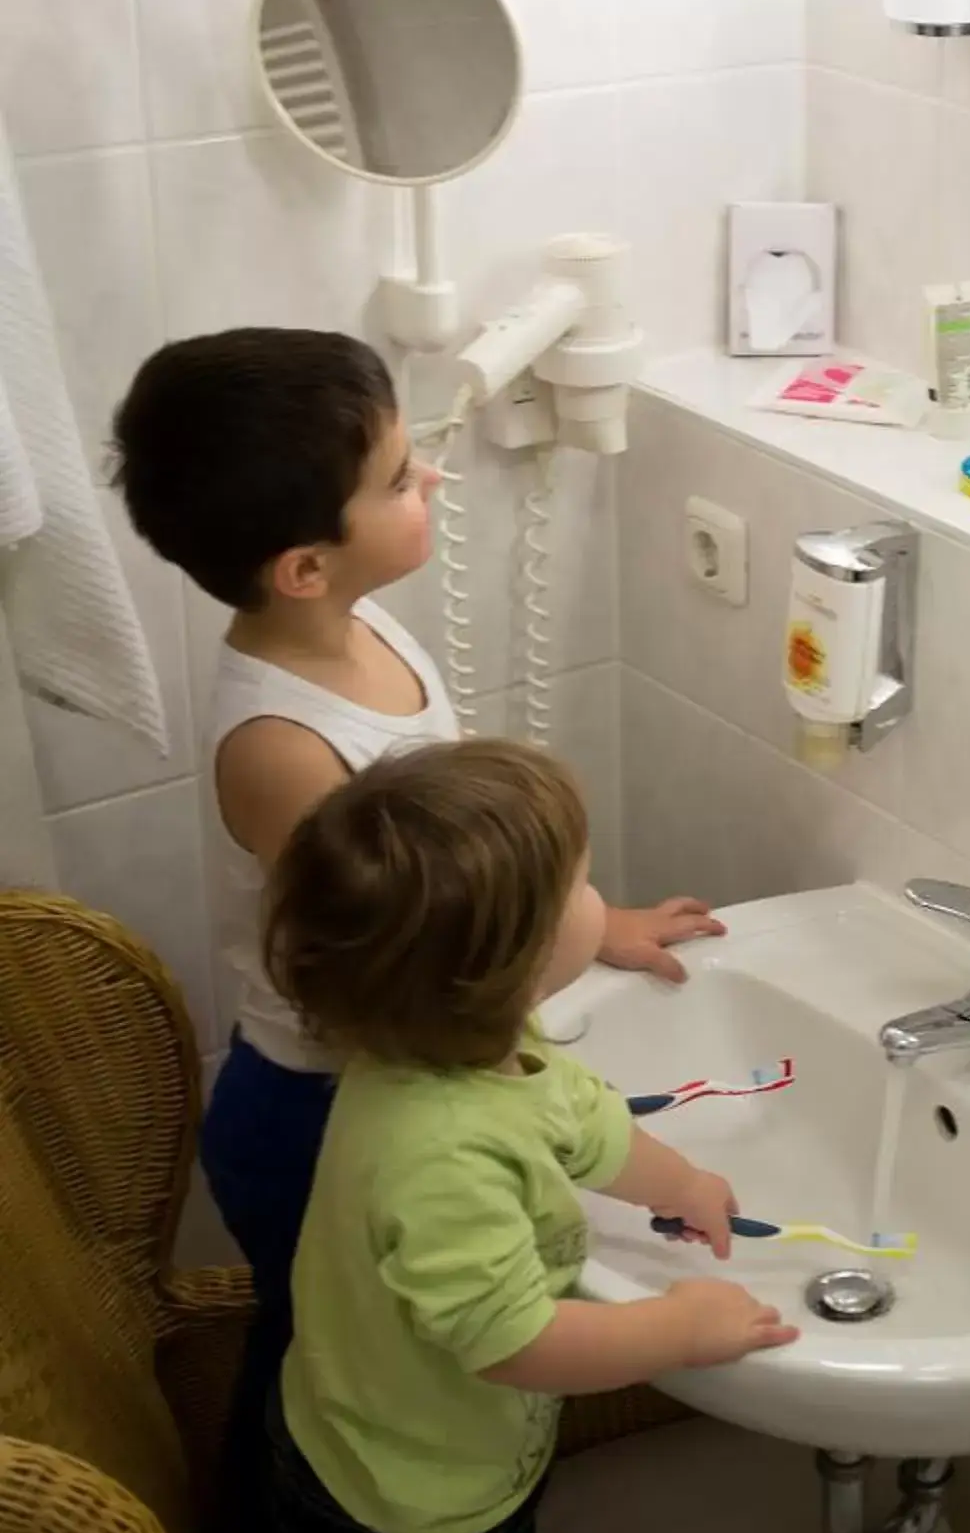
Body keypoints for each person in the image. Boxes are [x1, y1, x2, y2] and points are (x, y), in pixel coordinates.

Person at [111, 328, 723, 1324]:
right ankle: (294, 1482)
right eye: (398, 479)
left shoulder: (360, 628)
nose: (432, 478)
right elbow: (407, 944)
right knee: (334, 1363)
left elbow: (460, 844)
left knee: (402, 1354)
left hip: (395, 1072)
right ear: (304, 567)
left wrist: (595, 924)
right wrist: (550, 975)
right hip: (323, 1109)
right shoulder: (282, 749)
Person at [218, 739, 795, 1533]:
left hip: (416, 1452)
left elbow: (590, 1127)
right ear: (507, 965)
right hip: (399, 1510)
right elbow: (510, 1342)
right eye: (574, 884)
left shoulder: (483, 1047)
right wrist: (677, 1327)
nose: (594, 892)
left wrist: (685, 1187)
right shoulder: (434, 1149)